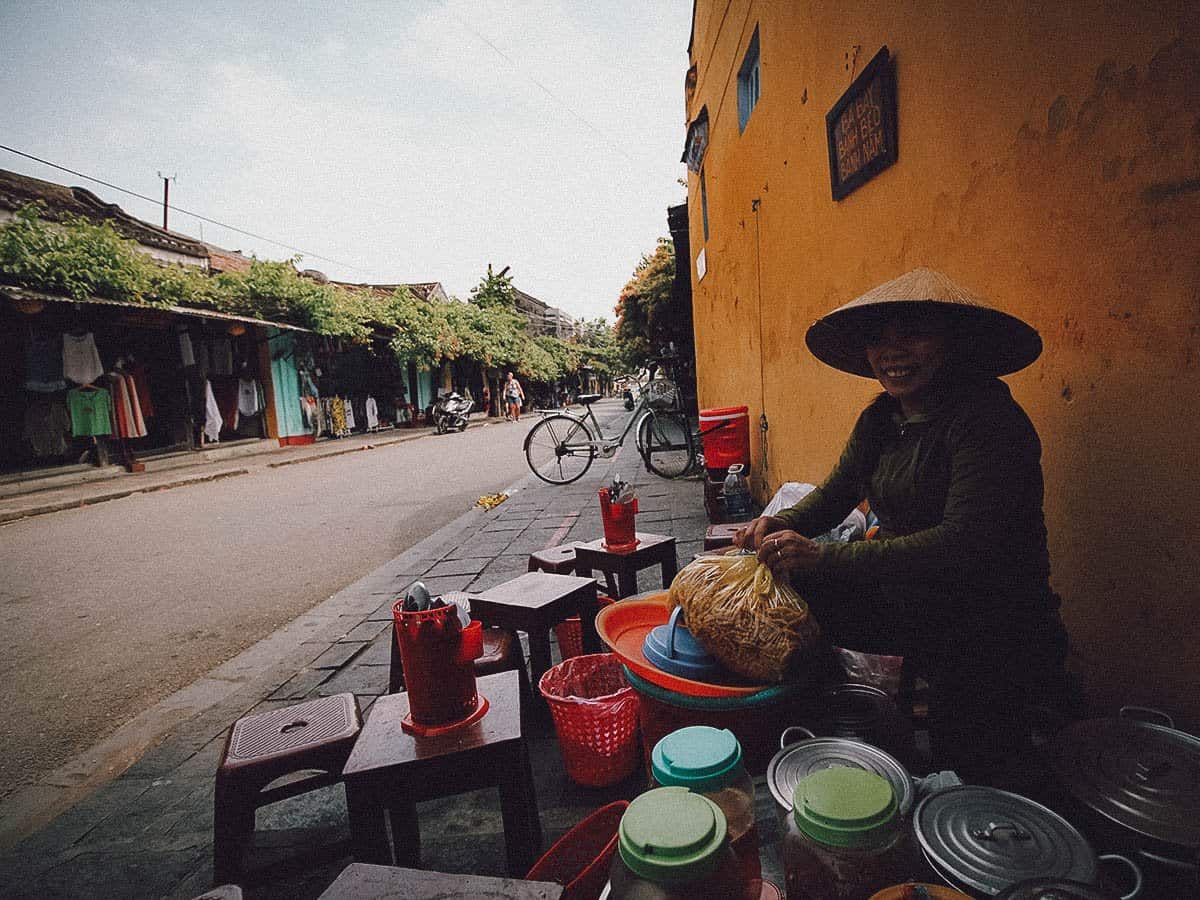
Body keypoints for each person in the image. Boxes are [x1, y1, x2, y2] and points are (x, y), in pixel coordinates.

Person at [734, 267, 1070, 780]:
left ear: (952, 343)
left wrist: (824, 555)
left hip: (988, 614)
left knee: (977, 758)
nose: (892, 351)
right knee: (783, 600)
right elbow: (834, 496)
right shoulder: (881, 419)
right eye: (878, 338)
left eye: (912, 332)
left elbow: (964, 544)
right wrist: (774, 522)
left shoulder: (987, 422)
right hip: (912, 592)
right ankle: (821, 735)